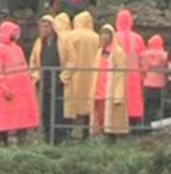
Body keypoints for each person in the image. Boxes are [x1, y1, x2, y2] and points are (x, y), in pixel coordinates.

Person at [0, 21, 39, 146]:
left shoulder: (17, 49)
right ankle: (3, 143)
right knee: (5, 119)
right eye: (14, 32)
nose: (16, 35)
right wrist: (3, 87)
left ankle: (21, 143)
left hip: (21, 91)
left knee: (22, 119)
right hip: (7, 91)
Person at [30, 15, 72, 144]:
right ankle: (47, 137)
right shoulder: (38, 43)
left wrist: (63, 77)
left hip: (58, 82)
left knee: (58, 110)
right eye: (42, 26)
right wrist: (36, 76)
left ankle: (60, 139)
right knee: (45, 111)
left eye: (47, 26)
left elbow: (71, 60)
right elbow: (33, 61)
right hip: (43, 81)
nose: (44, 29)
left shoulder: (63, 41)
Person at [91, 24, 129, 140]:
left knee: (110, 116)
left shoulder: (117, 52)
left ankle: (111, 139)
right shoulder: (98, 52)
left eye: (106, 34)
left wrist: (118, 93)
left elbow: (120, 73)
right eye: (102, 34)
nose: (103, 37)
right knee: (100, 115)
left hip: (110, 89)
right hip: (98, 89)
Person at [68, 11, 101, 139]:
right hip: (91, 75)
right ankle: (86, 134)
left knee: (72, 103)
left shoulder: (72, 36)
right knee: (88, 103)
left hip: (75, 75)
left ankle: (70, 132)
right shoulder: (96, 37)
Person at [116, 9, 146, 130]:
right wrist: (144, 74)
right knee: (134, 100)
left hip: (119, 74)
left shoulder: (115, 37)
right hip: (134, 74)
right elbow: (143, 59)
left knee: (119, 98)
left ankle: (118, 125)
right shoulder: (138, 38)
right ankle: (134, 125)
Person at [141, 35, 169, 125]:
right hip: (160, 85)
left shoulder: (144, 54)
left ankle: (145, 125)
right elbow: (167, 68)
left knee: (146, 107)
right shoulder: (164, 55)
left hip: (147, 84)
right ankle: (157, 125)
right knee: (158, 106)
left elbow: (142, 68)